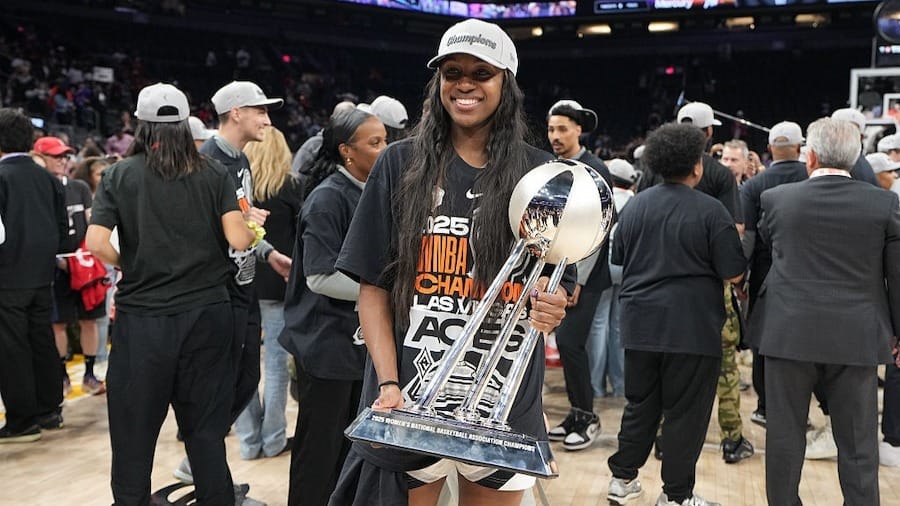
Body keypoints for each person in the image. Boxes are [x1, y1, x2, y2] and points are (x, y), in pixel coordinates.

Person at [328, 18, 570, 506]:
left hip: (502, 402)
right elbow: (372, 287)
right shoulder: (399, 164)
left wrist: (555, 305)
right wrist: (390, 382)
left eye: (482, 73)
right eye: (452, 71)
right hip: (411, 396)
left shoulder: (540, 173)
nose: (465, 83)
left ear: (507, 83)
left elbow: (557, 283)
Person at [85, 82, 256, 504]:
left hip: (143, 321)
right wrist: (252, 227)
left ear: (141, 126)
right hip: (207, 316)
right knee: (205, 434)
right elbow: (238, 240)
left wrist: (130, 264)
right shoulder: (214, 173)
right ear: (184, 125)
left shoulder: (120, 175)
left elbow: (96, 243)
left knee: (133, 438)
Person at [750, 117, 900, 505]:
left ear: (809, 156)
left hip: (788, 332)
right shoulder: (884, 203)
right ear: (857, 156)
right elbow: (897, 277)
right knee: (858, 443)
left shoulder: (776, 199)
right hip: (857, 336)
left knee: (784, 438)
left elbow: (771, 244)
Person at [606, 123, 745, 506]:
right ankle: (677, 496)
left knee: (639, 405)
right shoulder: (712, 210)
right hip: (692, 327)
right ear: (697, 167)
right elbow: (734, 271)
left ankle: (622, 480)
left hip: (638, 324)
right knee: (685, 415)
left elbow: (619, 259)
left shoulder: (635, 206)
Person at [173, 80, 290, 498]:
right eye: (260, 110)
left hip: (244, 285)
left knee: (246, 377)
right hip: (218, 292)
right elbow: (200, 233)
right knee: (222, 385)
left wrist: (268, 251)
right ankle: (207, 471)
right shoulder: (206, 161)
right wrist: (242, 226)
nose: (267, 119)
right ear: (236, 112)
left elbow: (242, 221)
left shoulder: (240, 158)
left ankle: (200, 459)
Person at [280, 108, 386, 506]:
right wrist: (385, 295)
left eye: (384, 140)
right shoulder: (327, 200)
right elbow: (320, 278)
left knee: (351, 451)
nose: (384, 149)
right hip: (326, 346)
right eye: (374, 143)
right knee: (318, 451)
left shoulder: (370, 193)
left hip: (357, 345)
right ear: (346, 151)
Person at [233, 125, 304, 461]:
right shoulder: (291, 186)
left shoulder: (238, 189)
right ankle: (273, 439)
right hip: (280, 279)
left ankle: (248, 442)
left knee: (242, 363)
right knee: (276, 364)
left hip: (242, 280)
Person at [545, 98, 612, 451]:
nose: (555, 135)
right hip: (555, 272)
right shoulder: (552, 166)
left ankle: (587, 417)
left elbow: (598, 231)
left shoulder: (595, 168)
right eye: (552, 129)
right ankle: (575, 413)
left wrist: (578, 279)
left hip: (583, 277)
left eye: (562, 129)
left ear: (578, 130)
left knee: (571, 343)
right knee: (566, 346)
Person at [0, 108, 68, 443]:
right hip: (43, 274)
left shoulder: (1, 177)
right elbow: (62, 231)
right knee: (40, 340)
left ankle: (22, 419)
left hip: (7, 275)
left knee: (12, 347)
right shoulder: (49, 179)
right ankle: (49, 409)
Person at [739, 120, 808, 429]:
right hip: (807, 269)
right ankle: (798, 409)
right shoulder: (811, 177)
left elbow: (748, 237)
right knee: (802, 341)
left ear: (769, 148)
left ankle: (765, 406)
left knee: (763, 341)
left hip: (766, 272)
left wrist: (741, 276)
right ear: (800, 147)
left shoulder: (754, 185)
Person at [33, 135, 108, 397]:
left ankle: (89, 373)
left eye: (65, 156)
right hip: (56, 263)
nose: (63, 161)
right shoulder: (39, 188)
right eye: (56, 156)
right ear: (40, 158)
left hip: (82, 261)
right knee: (59, 323)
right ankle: (62, 375)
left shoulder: (79, 188)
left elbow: (91, 221)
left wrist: (90, 255)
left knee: (90, 319)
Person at [586, 158, 636, 399]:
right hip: (626, 269)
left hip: (601, 267)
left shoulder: (600, 196)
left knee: (598, 325)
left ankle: (595, 387)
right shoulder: (636, 202)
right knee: (618, 328)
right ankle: (620, 386)